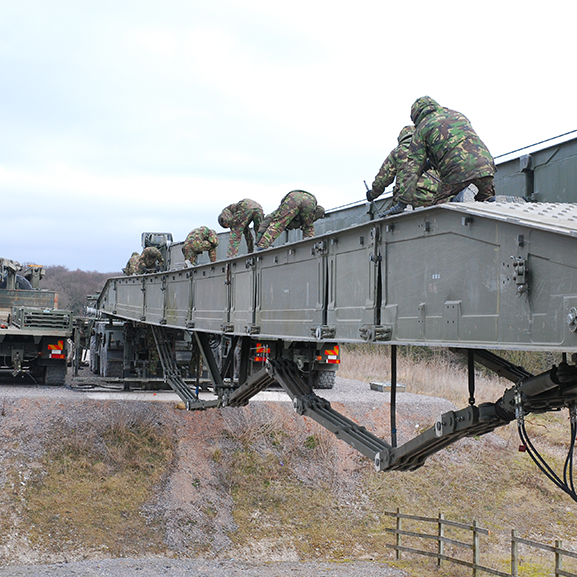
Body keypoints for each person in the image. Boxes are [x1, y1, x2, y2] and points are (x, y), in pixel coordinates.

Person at [388, 96, 496, 216]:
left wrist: (402, 203)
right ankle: (492, 201)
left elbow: (413, 169)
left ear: (416, 117)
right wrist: (430, 163)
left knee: (437, 207)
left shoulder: (422, 128)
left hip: (457, 170)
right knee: (484, 200)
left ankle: (457, 200)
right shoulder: (458, 115)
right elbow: (455, 143)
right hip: (486, 166)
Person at [366, 125, 440, 209]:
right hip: (432, 199)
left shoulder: (397, 151)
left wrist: (372, 194)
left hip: (407, 199)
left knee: (386, 216)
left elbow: (382, 180)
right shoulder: (430, 149)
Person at [256, 190, 325, 250]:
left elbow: (268, 221)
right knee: (308, 226)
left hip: (293, 198)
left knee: (278, 223)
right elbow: (320, 210)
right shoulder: (300, 218)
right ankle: (309, 244)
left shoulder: (278, 212)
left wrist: (259, 240)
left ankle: (263, 246)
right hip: (310, 199)